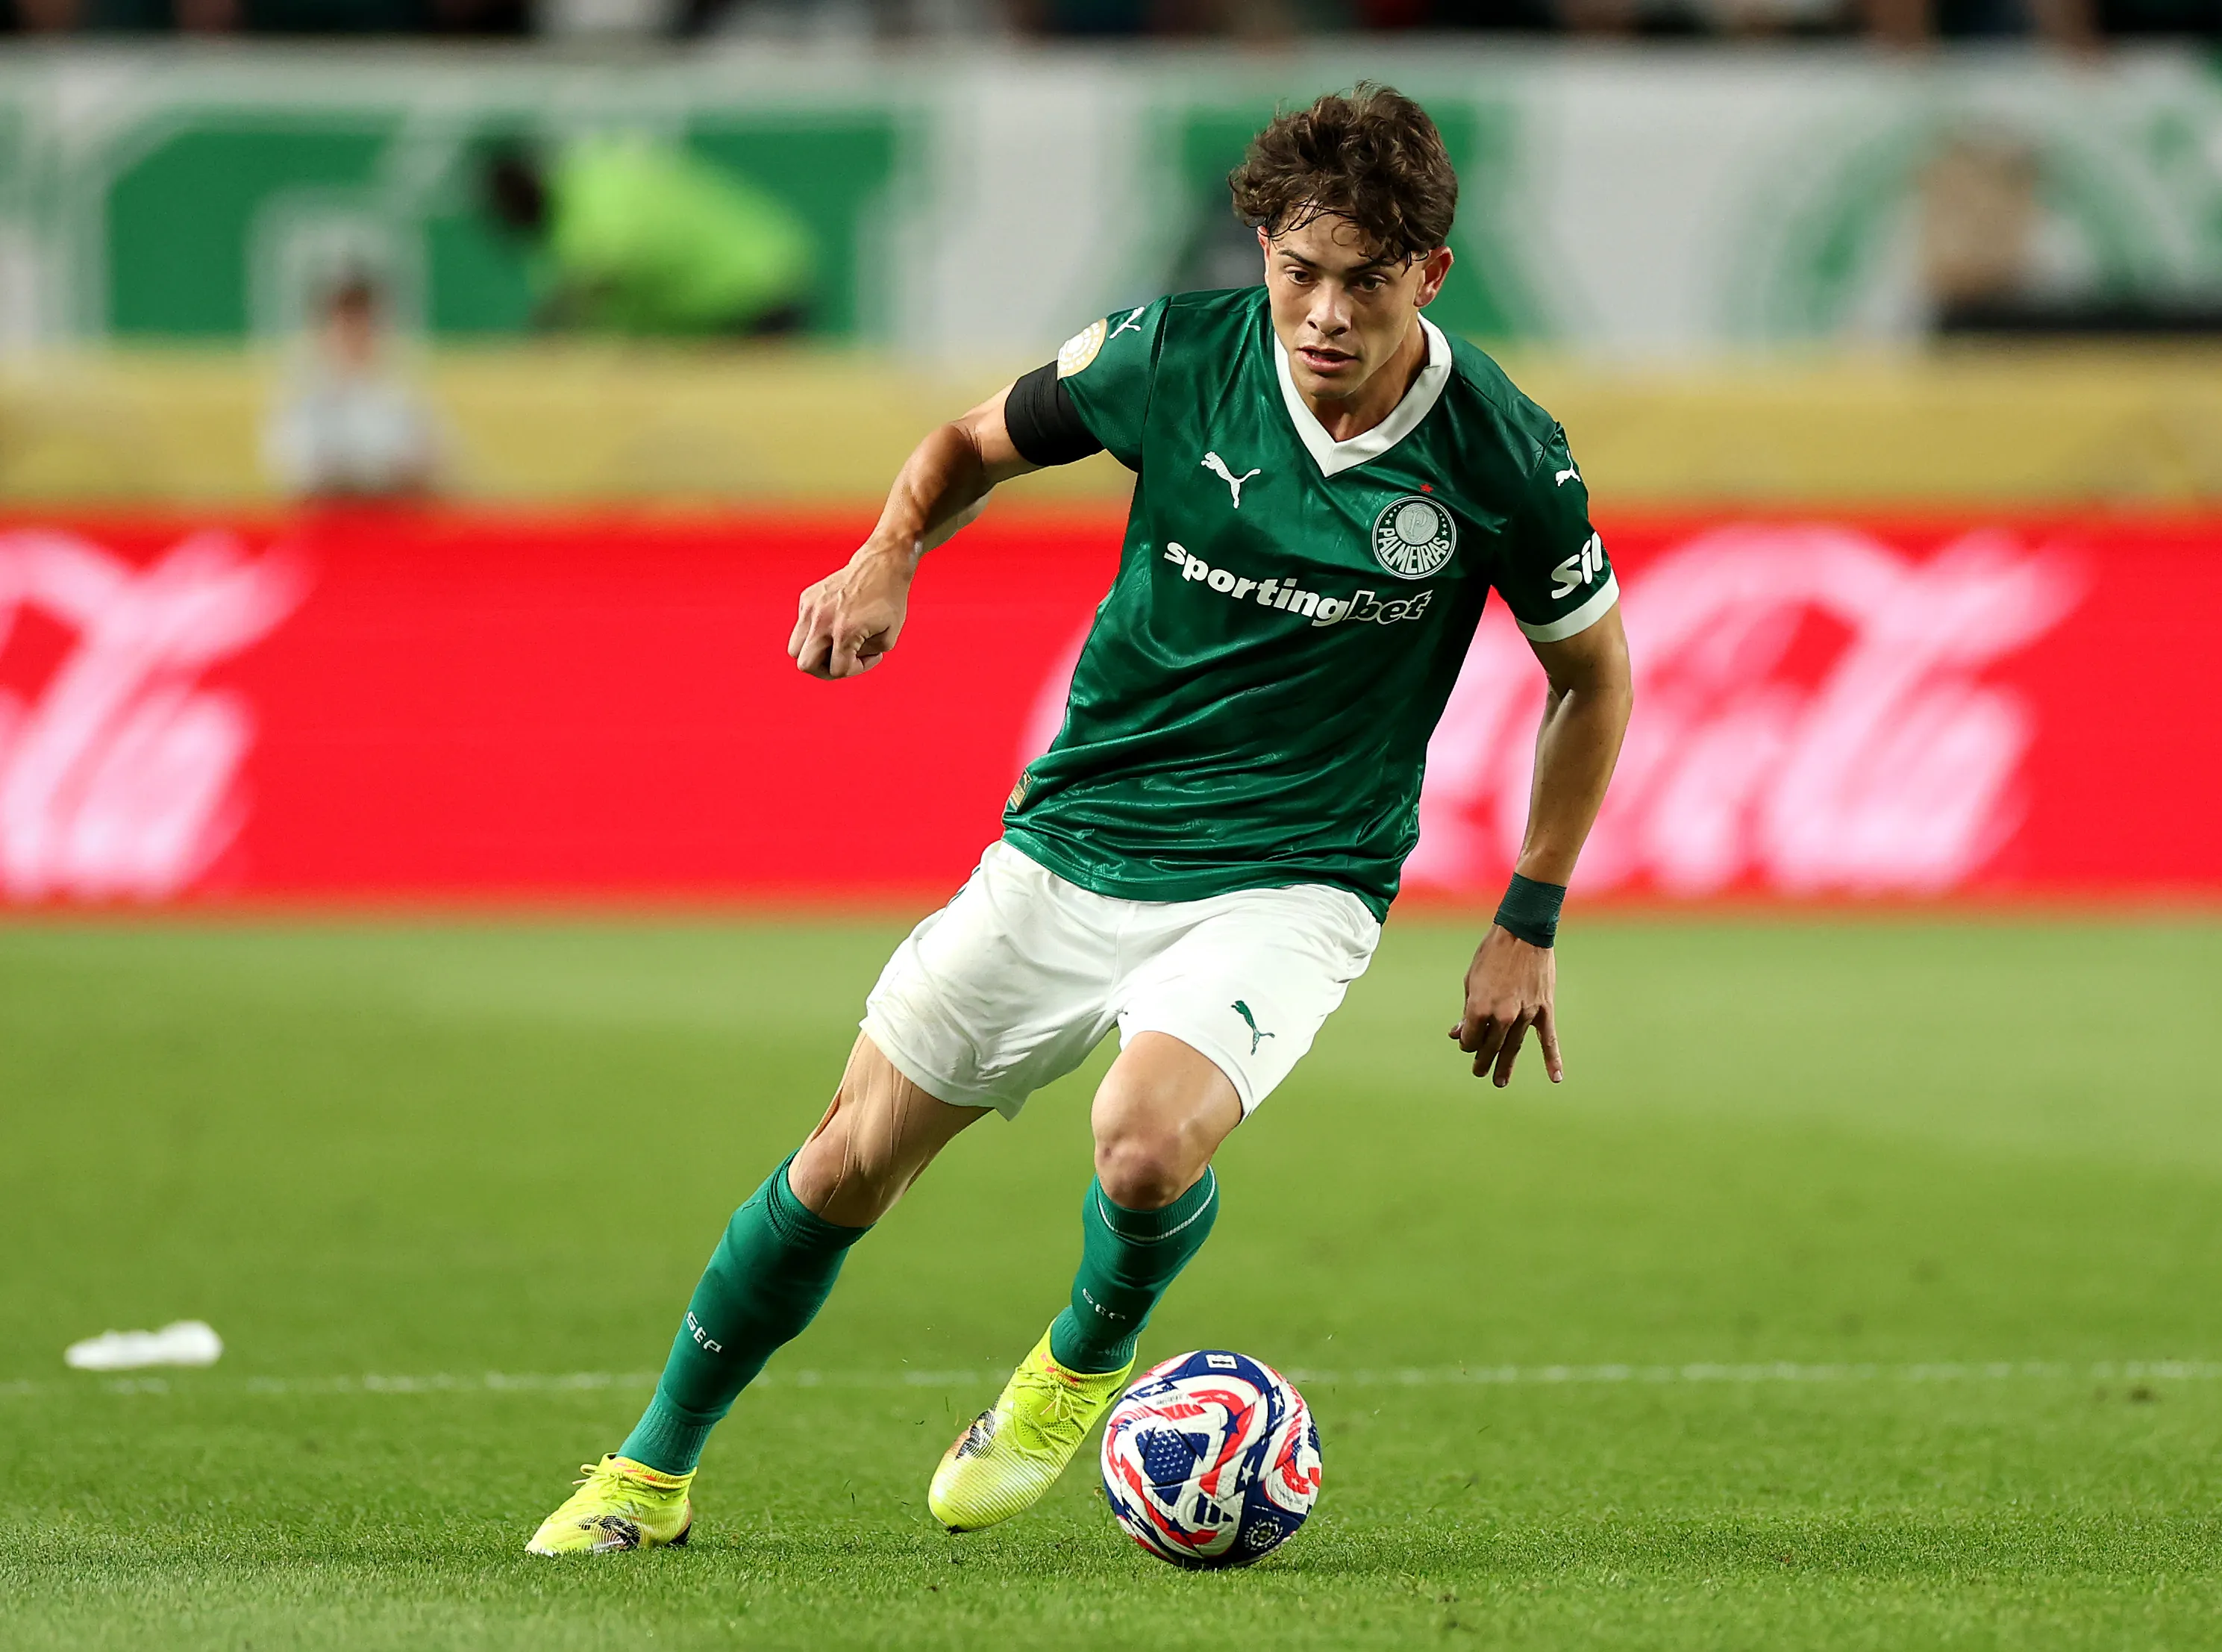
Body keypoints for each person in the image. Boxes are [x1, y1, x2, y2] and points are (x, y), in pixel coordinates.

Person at [524, 82, 1634, 1557]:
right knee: (845, 1162)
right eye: (1297, 272)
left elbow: (1590, 681)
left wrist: (1528, 915)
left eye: (1363, 281)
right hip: (1074, 840)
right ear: (1260, 248)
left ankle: (1076, 1368)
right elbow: (966, 443)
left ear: (1428, 273)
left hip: (1292, 877)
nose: (1322, 313)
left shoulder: (1500, 450)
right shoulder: (1166, 353)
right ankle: (647, 1475)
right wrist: (883, 558)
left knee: (1142, 1146)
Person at [481, 139, 815, 339]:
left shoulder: (595, 189)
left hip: (757, 287)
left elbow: (606, 265)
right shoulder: (555, 247)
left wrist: (545, 331)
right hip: (707, 314)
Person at [263, 271, 442, 501]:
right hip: (326, 525)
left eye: (364, 320)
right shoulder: (303, 394)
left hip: (390, 521)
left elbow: (429, 469)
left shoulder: (401, 393)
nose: (356, 333)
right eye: (346, 322)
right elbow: (298, 475)